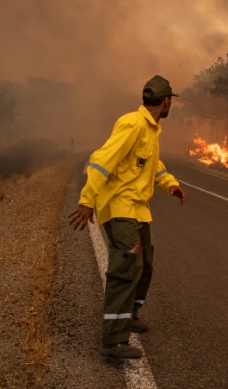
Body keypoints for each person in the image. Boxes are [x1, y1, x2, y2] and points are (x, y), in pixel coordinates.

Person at [67, 75, 186, 359]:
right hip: (120, 208)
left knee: (144, 265)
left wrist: (170, 184)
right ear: (166, 101)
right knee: (124, 269)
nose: (171, 105)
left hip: (138, 209)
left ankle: (130, 314)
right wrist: (87, 201)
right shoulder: (132, 124)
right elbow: (101, 160)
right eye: (171, 101)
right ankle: (113, 339)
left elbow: (153, 165)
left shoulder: (151, 129)